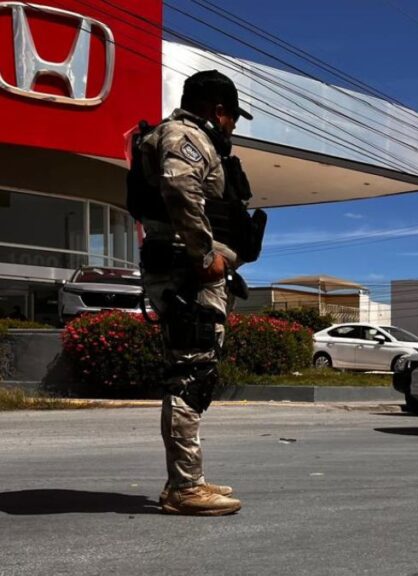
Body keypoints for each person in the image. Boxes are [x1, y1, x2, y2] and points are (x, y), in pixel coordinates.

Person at [137, 70, 254, 515]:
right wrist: (205, 255)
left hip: (190, 272)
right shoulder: (184, 135)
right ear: (217, 110)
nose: (232, 128)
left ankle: (186, 481)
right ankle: (185, 488)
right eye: (231, 118)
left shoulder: (185, 137)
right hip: (189, 273)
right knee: (190, 375)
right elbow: (179, 184)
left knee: (195, 372)